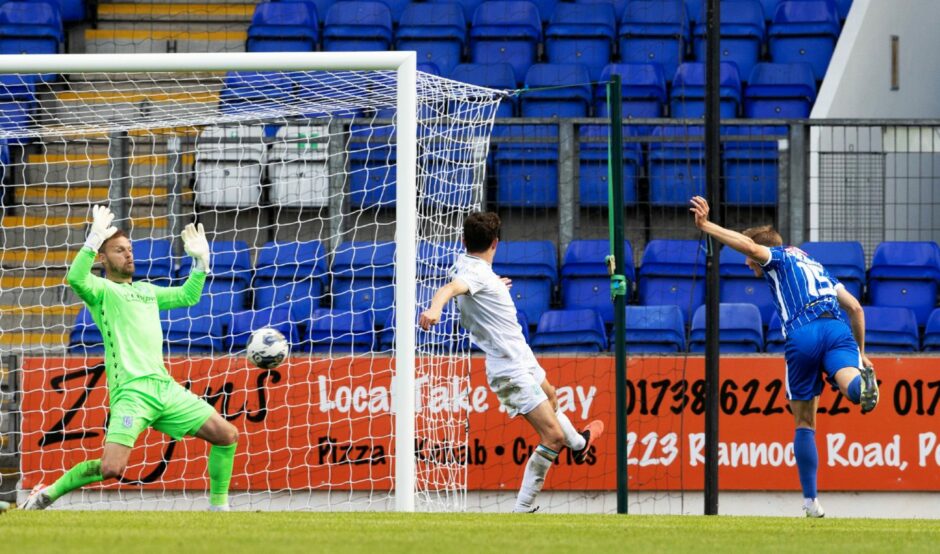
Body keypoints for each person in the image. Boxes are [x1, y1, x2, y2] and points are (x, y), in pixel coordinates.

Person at [23, 205, 239, 511]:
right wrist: (93, 239)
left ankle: (220, 510)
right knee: (112, 468)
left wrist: (201, 263)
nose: (128, 255)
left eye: (130, 249)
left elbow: (188, 296)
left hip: (165, 389)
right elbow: (75, 278)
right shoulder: (102, 292)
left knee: (227, 435)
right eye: (119, 250)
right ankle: (48, 493)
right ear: (103, 257)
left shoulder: (147, 291)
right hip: (132, 394)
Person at [689, 196, 878, 518]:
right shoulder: (817, 267)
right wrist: (861, 353)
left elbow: (749, 248)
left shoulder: (776, 257)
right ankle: (864, 386)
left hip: (802, 334)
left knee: (805, 421)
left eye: (752, 264)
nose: (751, 268)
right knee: (851, 385)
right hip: (837, 328)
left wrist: (706, 226)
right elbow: (856, 309)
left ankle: (810, 502)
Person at [419, 212, 604, 513]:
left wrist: (494, 287)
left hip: (522, 355)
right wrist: (435, 309)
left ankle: (580, 445)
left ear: (464, 241)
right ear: (496, 243)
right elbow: (450, 289)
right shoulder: (475, 275)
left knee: (553, 394)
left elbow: (466, 286)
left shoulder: (470, 267)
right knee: (553, 437)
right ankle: (523, 509)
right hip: (508, 367)